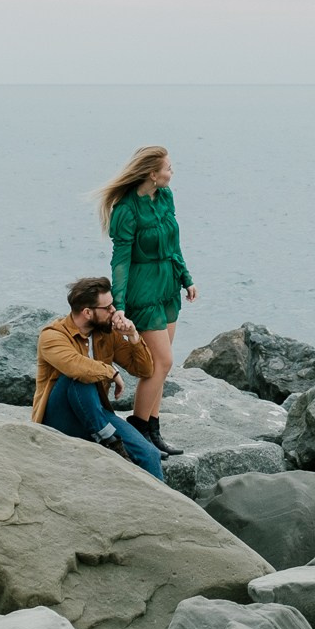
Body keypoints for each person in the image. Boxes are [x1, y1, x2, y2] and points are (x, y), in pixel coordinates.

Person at [96, 144, 195, 457]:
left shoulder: (165, 197)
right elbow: (120, 260)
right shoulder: (126, 210)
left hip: (168, 286)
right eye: (168, 167)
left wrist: (186, 277)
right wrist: (119, 304)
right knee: (159, 363)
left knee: (161, 368)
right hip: (143, 290)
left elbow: (174, 243)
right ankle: (138, 431)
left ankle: (154, 431)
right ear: (152, 173)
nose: (172, 172)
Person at [32, 276, 162, 479]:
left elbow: (144, 370)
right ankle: (107, 439)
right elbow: (77, 368)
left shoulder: (107, 333)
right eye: (108, 307)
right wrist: (112, 372)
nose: (114, 311)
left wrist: (133, 335)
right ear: (87, 312)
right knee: (78, 379)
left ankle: (163, 507)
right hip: (59, 418)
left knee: (149, 454)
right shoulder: (52, 335)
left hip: (95, 414)